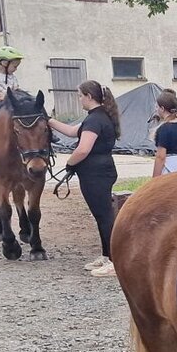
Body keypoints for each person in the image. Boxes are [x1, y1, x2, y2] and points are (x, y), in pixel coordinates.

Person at [47, 81, 121, 277]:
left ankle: (115, 261)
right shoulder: (97, 117)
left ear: (89, 96)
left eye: (80, 95)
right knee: (101, 215)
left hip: (95, 173)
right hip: (99, 171)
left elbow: (83, 148)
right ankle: (106, 256)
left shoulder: (95, 120)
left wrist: (70, 164)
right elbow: (73, 132)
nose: (78, 99)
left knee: (104, 216)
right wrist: (50, 121)